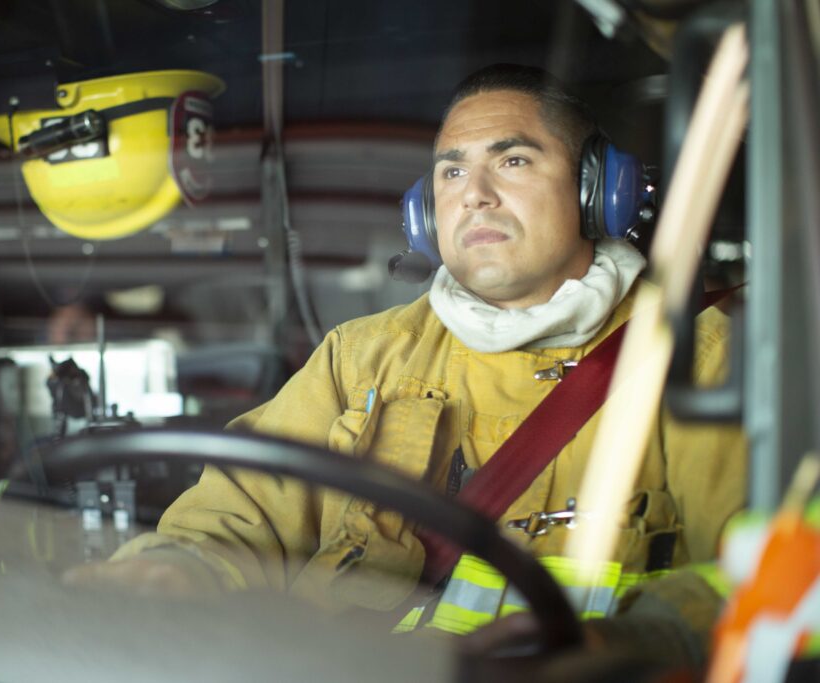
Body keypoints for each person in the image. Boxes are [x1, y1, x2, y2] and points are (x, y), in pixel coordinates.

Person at [66, 64, 746, 665]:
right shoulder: (359, 356)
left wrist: (658, 639)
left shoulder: (695, 357)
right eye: (451, 171)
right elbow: (236, 514)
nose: (473, 193)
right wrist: (174, 572)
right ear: (426, 211)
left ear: (601, 189)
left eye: (512, 161)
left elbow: (768, 564)